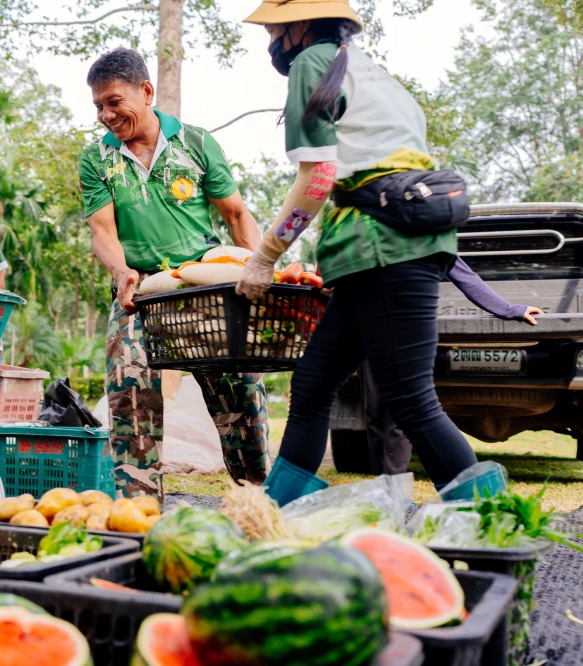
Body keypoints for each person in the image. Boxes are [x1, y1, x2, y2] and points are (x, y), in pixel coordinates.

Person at [238, 0, 505, 505]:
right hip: (378, 253)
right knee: (314, 384)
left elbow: (317, 179)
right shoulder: (372, 71)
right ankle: (276, 511)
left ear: (298, 24)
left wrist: (264, 256)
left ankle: (494, 525)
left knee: (409, 398)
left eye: (272, 26)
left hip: (385, 249)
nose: (269, 37)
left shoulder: (310, 65)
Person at [79, 47, 266, 504]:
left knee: (238, 393)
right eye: (99, 106)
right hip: (138, 293)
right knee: (129, 393)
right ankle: (139, 510)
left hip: (203, 288)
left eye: (114, 102)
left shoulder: (196, 144)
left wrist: (263, 271)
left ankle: (258, 499)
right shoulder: (96, 159)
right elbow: (103, 230)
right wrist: (121, 271)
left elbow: (237, 216)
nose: (106, 114)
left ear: (146, 91)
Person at [362, 262, 543, 474]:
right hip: (367, 326)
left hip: (404, 326)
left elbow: (464, 274)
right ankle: (386, 489)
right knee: (375, 413)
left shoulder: (423, 233)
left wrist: (509, 309)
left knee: (404, 415)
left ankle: (403, 492)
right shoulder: (364, 235)